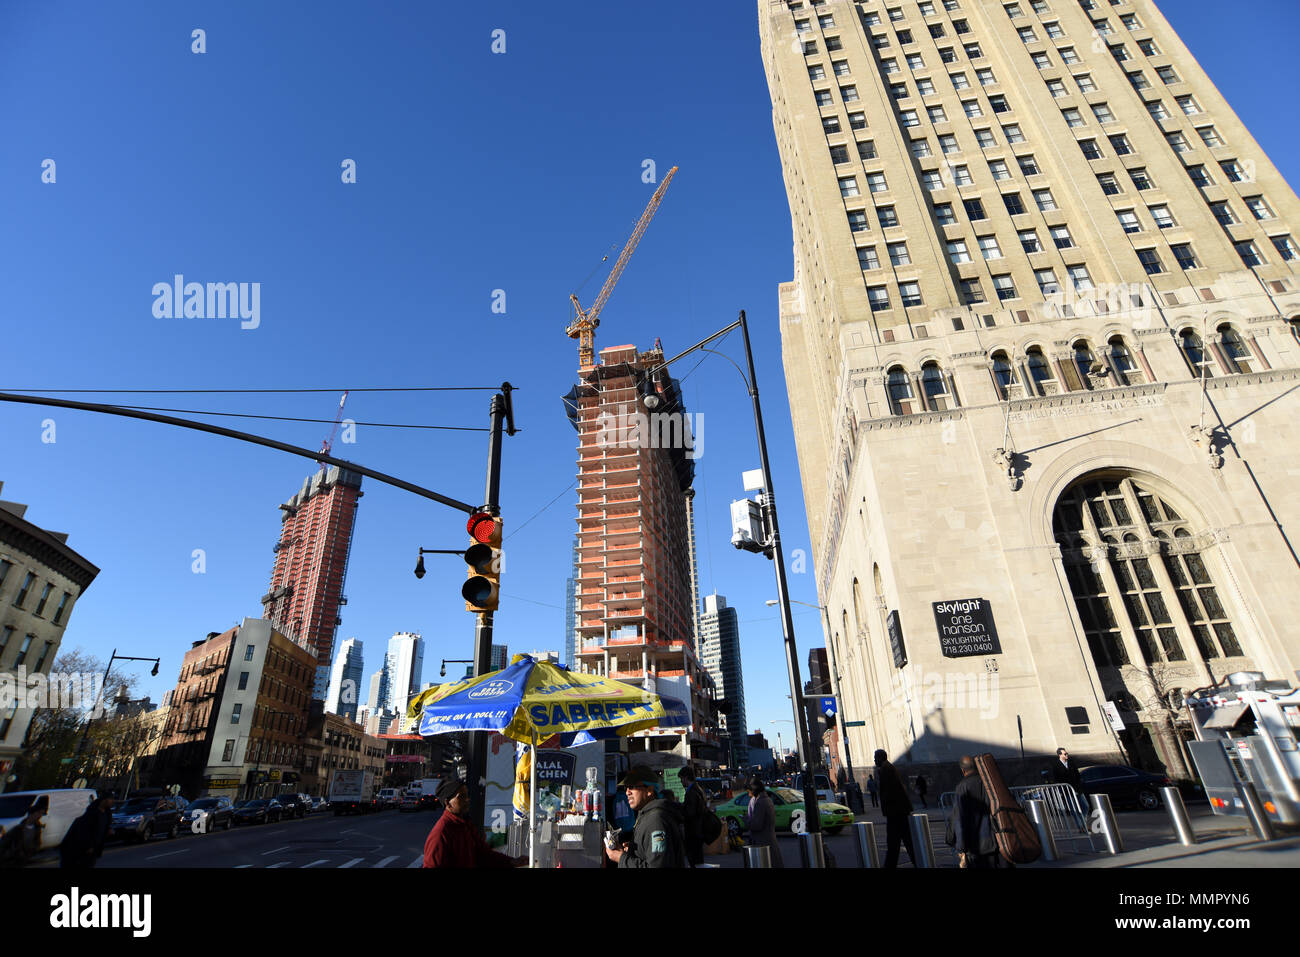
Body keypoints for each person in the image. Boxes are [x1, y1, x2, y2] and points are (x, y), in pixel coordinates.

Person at [423, 778, 526, 868]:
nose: (467, 799)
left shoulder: (466, 825)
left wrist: (512, 861)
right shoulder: (441, 833)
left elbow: (483, 855)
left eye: (467, 795)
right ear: (447, 803)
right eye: (461, 796)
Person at [606, 767, 685, 868]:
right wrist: (635, 849)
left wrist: (621, 858)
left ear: (649, 790)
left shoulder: (656, 820)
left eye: (632, 787)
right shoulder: (646, 814)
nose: (627, 792)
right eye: (626, 787)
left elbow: (657, 865)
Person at [948, 755, 1005, 869]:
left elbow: (960, 820)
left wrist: (961, 847)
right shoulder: (991, 782)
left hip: (978, 845)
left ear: (963, 770)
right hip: (1001, 841)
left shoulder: (962, 787)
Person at [874, 749, 915, 868]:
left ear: (881, 758)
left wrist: (887, 808)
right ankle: (917, 860)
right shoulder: (887, 768)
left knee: (894, 842)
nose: (874, 760)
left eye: (875, 757)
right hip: (898, 811)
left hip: (896, 812)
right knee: (903, 841)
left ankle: (891, 864)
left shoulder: (886, 770)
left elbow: (889, 792)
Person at [60, 794, 114, 869]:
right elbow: (84, 831)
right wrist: (89, 846)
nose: (112, 802)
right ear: (104, 800)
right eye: (110, 799)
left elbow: (103, 828)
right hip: (81, 849)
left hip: (93, 849)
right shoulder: (91, 814)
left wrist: (108, 830)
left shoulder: (107, 814)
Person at [743, 777, 784, 868]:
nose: (749, 794)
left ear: (754, 790)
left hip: (762, 842)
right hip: (769, 840)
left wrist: (746, 820)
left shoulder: (760, 803)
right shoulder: (767, 800)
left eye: (749, 791)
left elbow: (757, 825)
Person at [0, 795, 47, 867]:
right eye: (38, 813)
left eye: (41, 813)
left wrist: (32, 851)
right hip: (13, 860)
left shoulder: (37, 828)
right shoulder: (18, 828)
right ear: (31, 814)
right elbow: (4, 842)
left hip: (24, 859)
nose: (40, 816)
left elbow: (37, 843)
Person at [679, 766, 707, 867]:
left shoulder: (691, 792)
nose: (681, 782)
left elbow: (690, 813)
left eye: (681, 779)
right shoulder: (698, 789)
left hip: (693, 832)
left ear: (686, 778)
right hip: (698, 831)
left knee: (695, 862)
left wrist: (680, 809)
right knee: (698, 862)